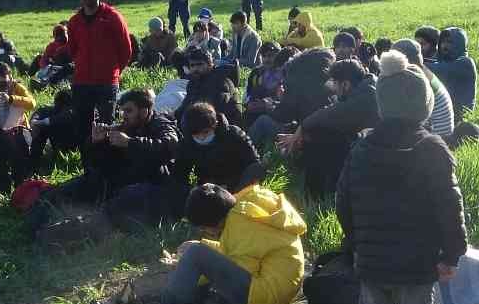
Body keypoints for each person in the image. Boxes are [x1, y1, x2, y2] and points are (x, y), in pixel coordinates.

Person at [336, 50, 467, 304]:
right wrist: (452, 252)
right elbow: (449, 206)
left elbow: (343, 202)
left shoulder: (361, 148)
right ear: (424, 106)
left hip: (372, 263)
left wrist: (356, 244)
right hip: (416, 265)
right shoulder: (431, 149)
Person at [119, 182, 307, 304]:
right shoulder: (248, 206)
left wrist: (194, 265)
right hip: (280, 285)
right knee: (197, 253)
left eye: (204, 229)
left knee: (195, 255)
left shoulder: (241, 226)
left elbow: (241, 267)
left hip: (268, 295)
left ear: (213, 224)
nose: (205, 232)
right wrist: (205, 249)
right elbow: (243, 251)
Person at [55, 88, 177, 226]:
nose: (124, 115)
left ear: (144, 111)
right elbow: (97, 162)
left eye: (129, 111)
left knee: (106, 213)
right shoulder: (125, 126)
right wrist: (97, 142)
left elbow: (170, 146)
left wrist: (130, 143)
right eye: (122, 111)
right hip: (118, 183)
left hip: (149, 187)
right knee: (61, 192)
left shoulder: (160, 123)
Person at [277, 58, 379, 197]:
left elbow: (326, 114)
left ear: (345, 85)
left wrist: (299, 132)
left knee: (322, 137)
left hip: (375, 153)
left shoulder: (363, 98)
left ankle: (315, 197)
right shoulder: (365, 86)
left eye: (335, 84)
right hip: (369, 144)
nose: (333, 89)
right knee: (319, 133)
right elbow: (329, 112)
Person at [66, 0, 134, 165]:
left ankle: (108, 163)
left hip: (106, 82)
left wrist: (114, 71)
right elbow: (72, 50)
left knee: (107, 124)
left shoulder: (113, 17)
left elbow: (126, 49)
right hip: (81, 82)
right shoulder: (74, 21)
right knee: (82, 126)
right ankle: (88, 163)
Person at [171, 102, 260, 200]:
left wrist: (235, 190)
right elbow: (179, 176)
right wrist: (194, 191)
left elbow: (254, 163)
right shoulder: (187, 144)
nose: (202, 138)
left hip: (238, 185)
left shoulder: (234, 135)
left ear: (215, 125)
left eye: (206, 132)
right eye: (196, 135)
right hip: (210, 190)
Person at [391, 41, 456, 140]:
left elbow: (407, 117)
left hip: (435, 137)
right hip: (439, 133)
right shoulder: (421, 73)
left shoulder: (417, 81)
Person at [178, 47, 241, 126]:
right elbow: (186, 105)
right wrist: (173, 115)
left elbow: (214, 109)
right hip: (202, 122)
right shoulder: (193, 83)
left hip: (223, 126)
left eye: (200, 64)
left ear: (210, 64)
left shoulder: (221, 81)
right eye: (192, 65)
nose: (195, 68)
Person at [429, 27, 478, 118]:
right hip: (443, 113)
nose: (444, 46)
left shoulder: (465, 63)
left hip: (461, 116)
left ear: (459, 44)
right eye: (442, 42)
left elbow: (438, 70)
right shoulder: (441, 60)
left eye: (450, 42)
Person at [29, 88, 82, 169]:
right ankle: (34, 162)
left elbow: (65, 117)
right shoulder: (52, 111)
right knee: (42, 127)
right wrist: (34, 122)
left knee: (45, 124)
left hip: (74, 146)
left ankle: (34, 162)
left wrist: (40, 122)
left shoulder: (74, 112)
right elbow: (40, 113)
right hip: (59, 145)